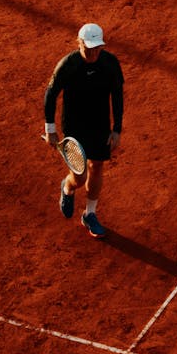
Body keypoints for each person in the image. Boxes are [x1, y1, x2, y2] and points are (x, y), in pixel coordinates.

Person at [44, 23, 124, 238]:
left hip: (99, 124)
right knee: (79, 176)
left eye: (97, 47)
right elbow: (50, 94)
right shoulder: (68, 65)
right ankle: (68, 188)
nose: (93, 52)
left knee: (97, 167)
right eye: (89, 47)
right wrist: (50, 130)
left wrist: (116, 130)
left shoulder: (110, 64)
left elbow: (117, 95)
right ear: (79, 43)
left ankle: (89, 214)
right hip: (74, 126)